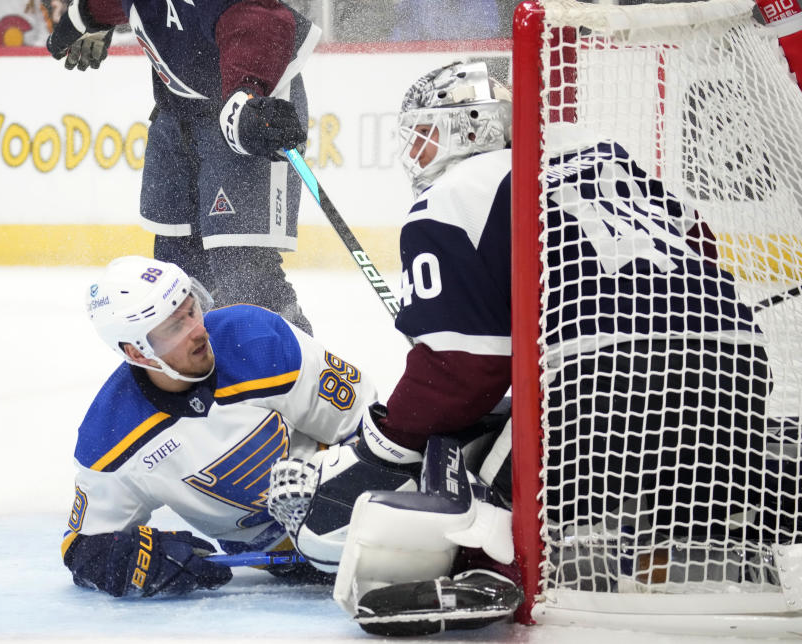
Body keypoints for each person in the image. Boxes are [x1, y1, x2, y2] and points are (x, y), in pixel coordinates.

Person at [266, 58, 772, 635]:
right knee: (683, 513)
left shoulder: (450, 197)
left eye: (426, 132)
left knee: (465, 472)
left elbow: (462, 371)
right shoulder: (607, 158)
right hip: (738, 368)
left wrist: (384, 442)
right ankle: (705, 528)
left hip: (606, 388)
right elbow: (699, 246)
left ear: (474, 125)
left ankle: (496, 562)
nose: (417, 151)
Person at [60, 255, 417, 599]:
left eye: (191, 308)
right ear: (137, 352)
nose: (198, 330)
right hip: (286, 560)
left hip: (368, 505)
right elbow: (83, 546)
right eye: (174, 326)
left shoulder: (256, 338)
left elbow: (368, 425)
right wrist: (134, 561)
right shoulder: (109, 436)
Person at [45, 0, 317, 335]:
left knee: (245, 278)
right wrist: (86, 16)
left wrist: (246, 95)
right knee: (176, 283)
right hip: (177, 112)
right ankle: (200, 380)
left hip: (254, 104)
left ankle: (293, 376)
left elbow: (256, 17)